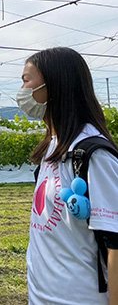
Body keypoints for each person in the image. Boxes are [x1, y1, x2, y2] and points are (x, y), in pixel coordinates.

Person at [19, 47, 118, 305]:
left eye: (26, 80)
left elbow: (115, 243)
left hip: (79, 297)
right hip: (43, 295)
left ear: (53, 85)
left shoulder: (94, 155)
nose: (22, 90)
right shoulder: (53, 146)